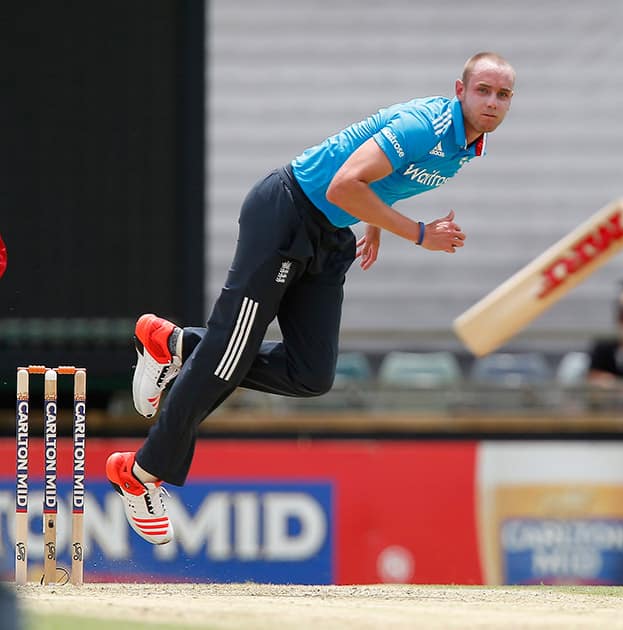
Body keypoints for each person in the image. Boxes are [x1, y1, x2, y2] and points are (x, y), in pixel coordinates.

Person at [105, 52, 516, 545]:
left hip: (330, 233)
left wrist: (377, 221)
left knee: (312, 374)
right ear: (460, 89)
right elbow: (344, 182)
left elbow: (377, 174)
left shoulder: (470, 145)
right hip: (288, 212)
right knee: (226, 358)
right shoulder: (425, 127)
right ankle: (141, 472)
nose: (492, 102)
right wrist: (417, 232)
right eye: (483, 91)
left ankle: (172, 344)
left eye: (503, 94)